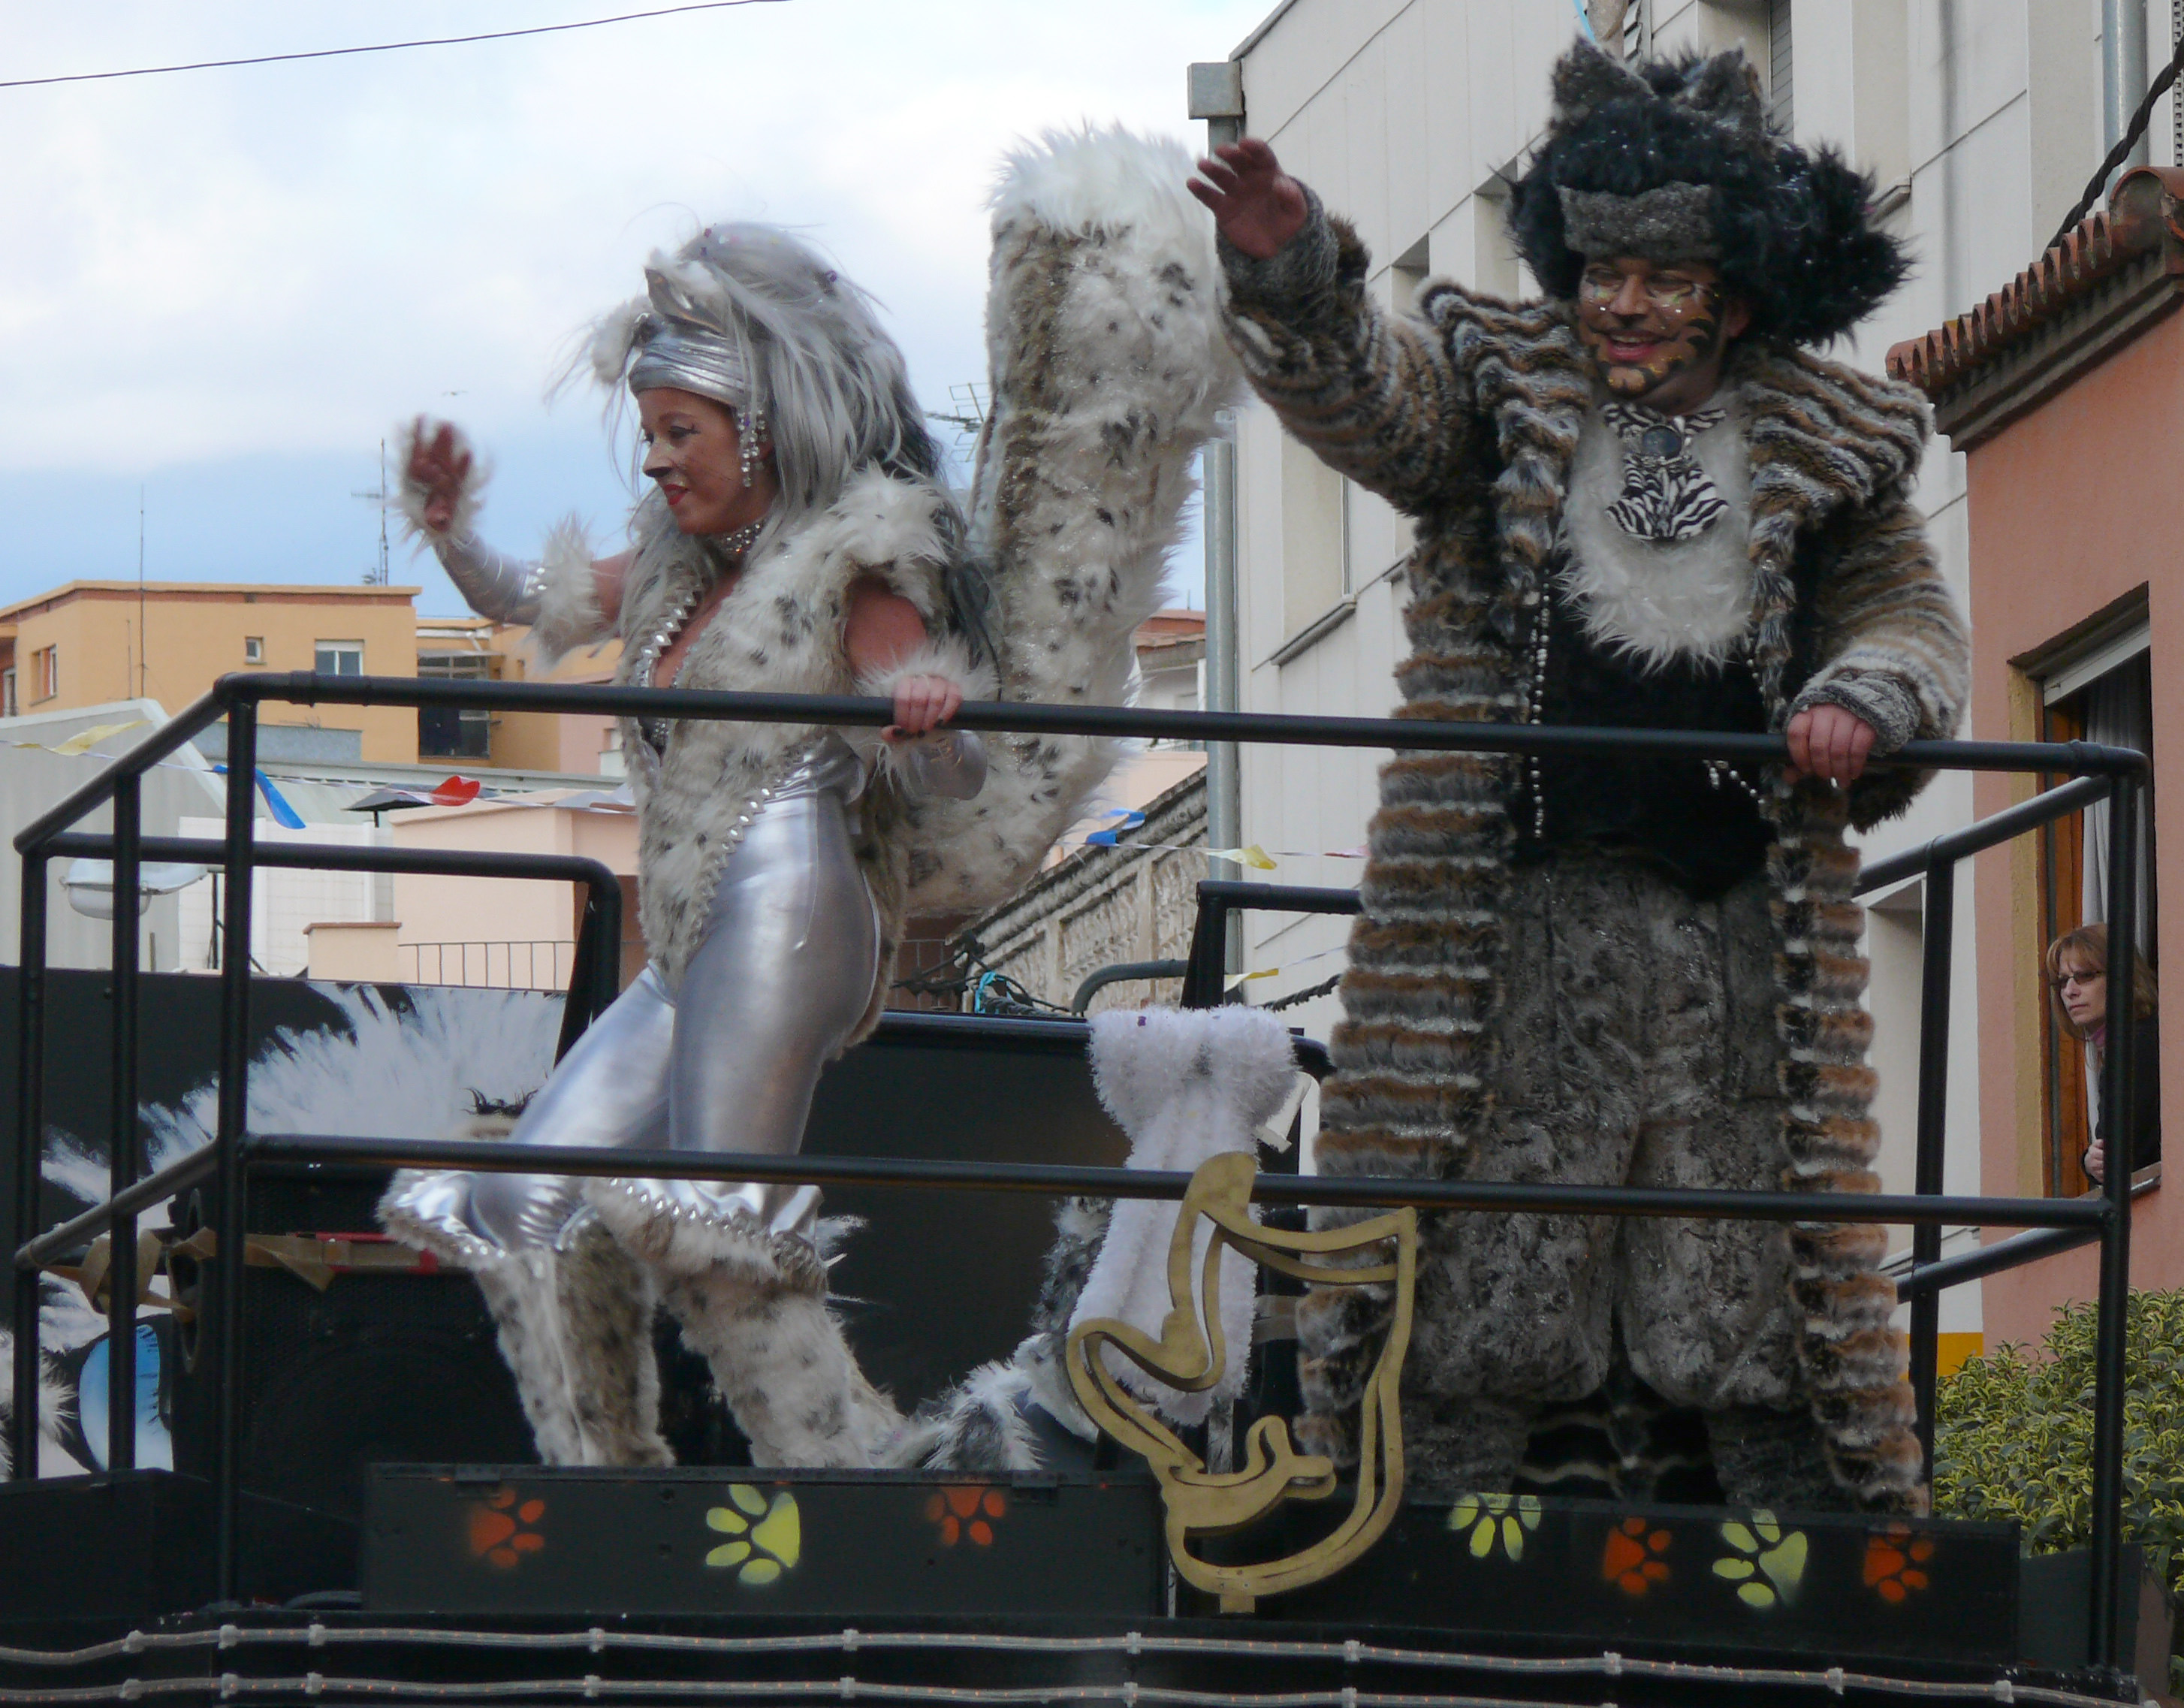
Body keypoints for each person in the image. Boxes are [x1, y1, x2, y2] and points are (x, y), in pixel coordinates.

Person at [1190, 40, 1969, 1513]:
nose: (1619, 302)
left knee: (1746, 1248)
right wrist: (1293, 276)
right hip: (1515, 921)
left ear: (1734, 299)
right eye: (1602, 268)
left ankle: (1785, 1552)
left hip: (1738, 931)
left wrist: (1861, 696)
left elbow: (1904, 619)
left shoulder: (1833, 447)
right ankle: (1431, 1528)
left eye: (1660, 276)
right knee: (1490, 1233)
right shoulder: (1501, 389)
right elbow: (1371, 403)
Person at [382, 224, 997, 1469]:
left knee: (720, 1227)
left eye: (680, 432)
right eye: (649, 433)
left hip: (790, 917)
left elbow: (954, 769)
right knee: (517, 1199)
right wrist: (447, 528)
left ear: (758, 430)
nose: (658, 460)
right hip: (686, 942)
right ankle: (606, 1472)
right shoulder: (673, 566)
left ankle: (837, 1479)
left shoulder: (850, 564)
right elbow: (527, 600)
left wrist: (931, 718)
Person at [2047, 923, 2161, 1186]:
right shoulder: (2124, 1041)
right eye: (2063, 981)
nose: (2070, 991)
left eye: (2085, 976)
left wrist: (2094, 1162)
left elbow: (2128, 1152)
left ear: (2122, 978)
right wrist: (2090, 1162)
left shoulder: (2137, 1043)